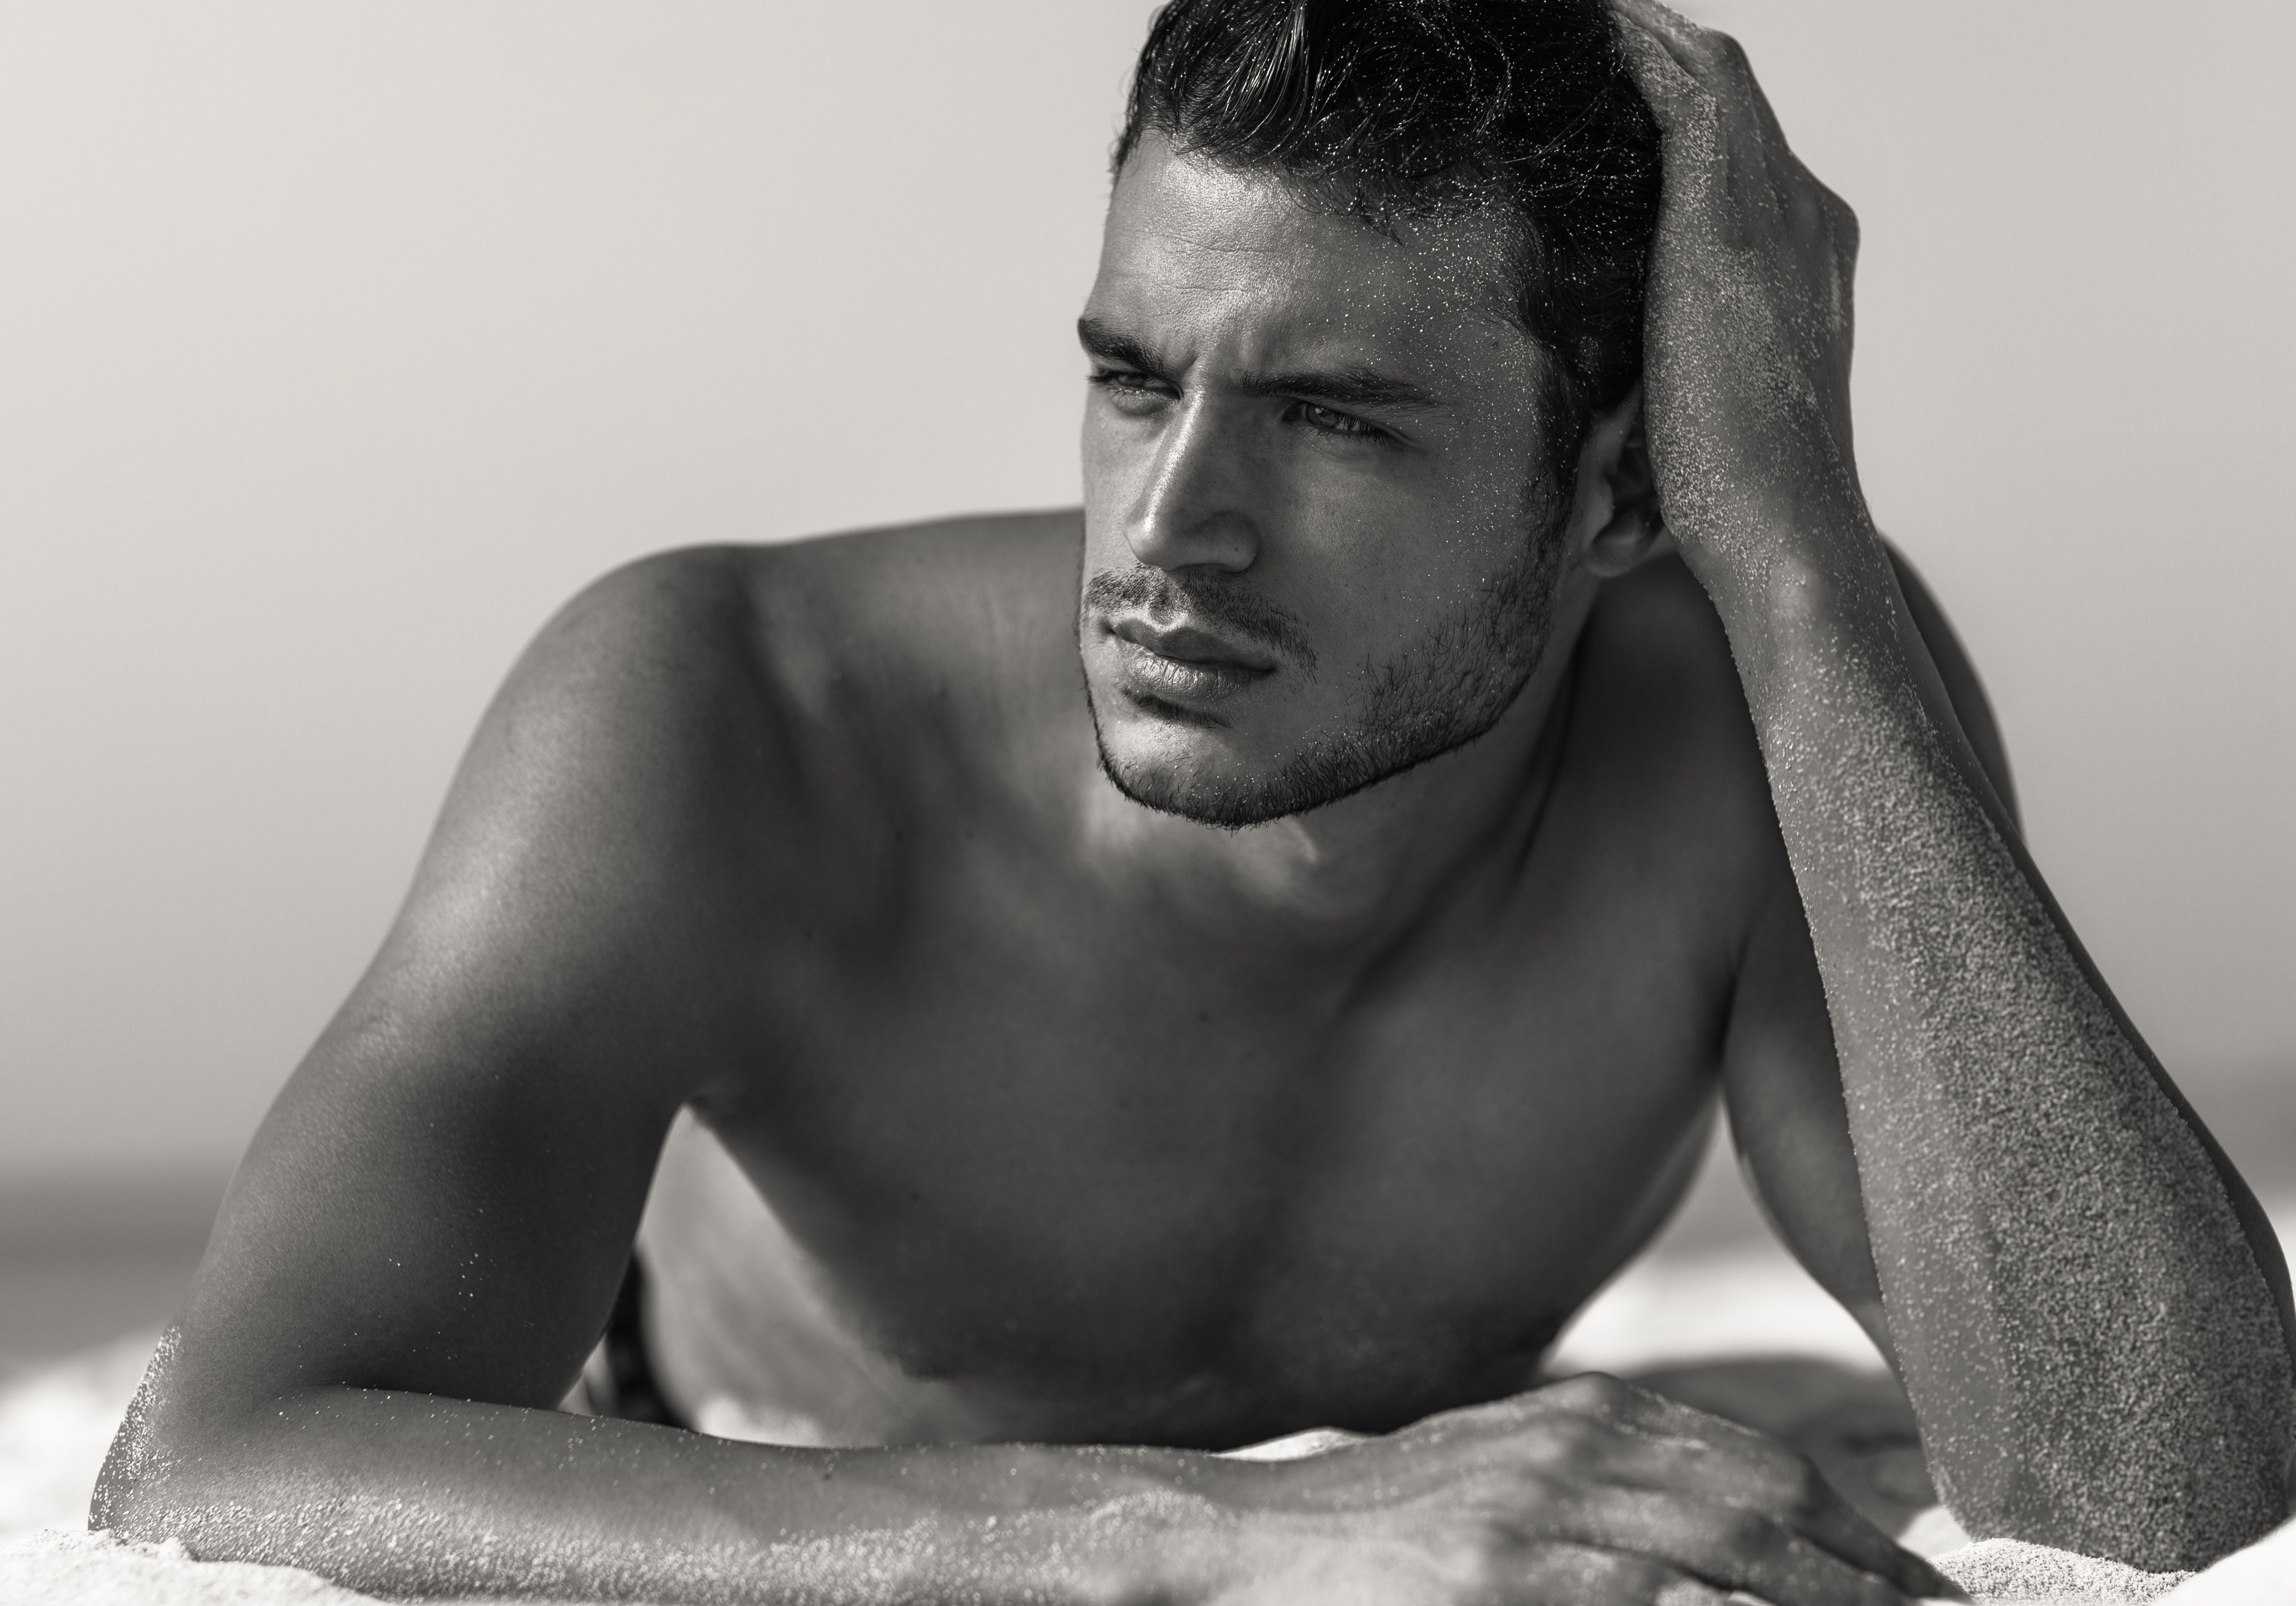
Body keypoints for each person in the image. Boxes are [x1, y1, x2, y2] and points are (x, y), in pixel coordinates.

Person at [94, 1, 2296, 1600]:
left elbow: (2162, 1485)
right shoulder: (722, 715)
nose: (1170, 528)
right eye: (1131, 375)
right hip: (723, 1460)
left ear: (1624, 492)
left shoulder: (1745, 711)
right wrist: (1223, 1530)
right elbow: (217, 1455)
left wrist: (1803, 558)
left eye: (1332, 421)